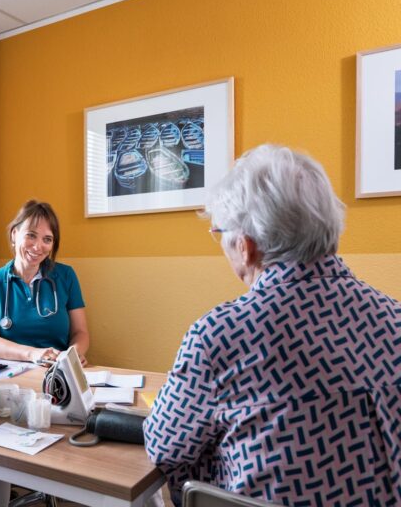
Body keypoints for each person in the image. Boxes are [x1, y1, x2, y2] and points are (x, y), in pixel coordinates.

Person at [144, 144, 401, 506]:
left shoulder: (220, 333)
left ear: (246, 246)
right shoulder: (393, 317)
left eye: (220, 233)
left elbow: (164, 446)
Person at [0, 200, 90, 365]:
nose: (38, 247)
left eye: (47, 239)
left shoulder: (66, 275)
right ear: (14, 234)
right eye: (31, 235)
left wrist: (72, 354)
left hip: (57, 369)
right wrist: (33, 354)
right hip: (11, 373)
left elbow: (81, 333)